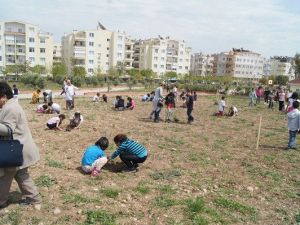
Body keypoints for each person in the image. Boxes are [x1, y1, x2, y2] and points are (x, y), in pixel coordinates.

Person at [0, 81, 41, 208]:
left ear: (3, 96)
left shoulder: (11, 108)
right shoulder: (10, 105)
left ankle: (1, 201)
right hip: (19, 149)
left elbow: (8, 129)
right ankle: (34, 198)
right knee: (21, 174)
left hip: (15, 150)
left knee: (5, 177)